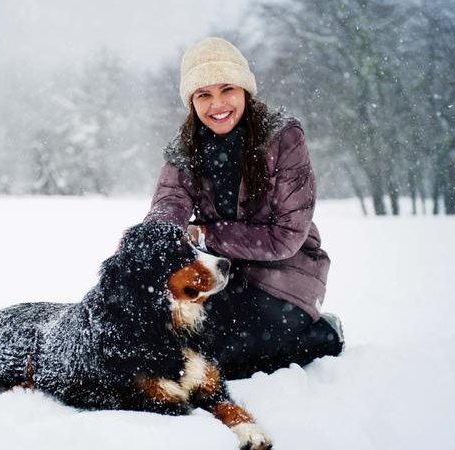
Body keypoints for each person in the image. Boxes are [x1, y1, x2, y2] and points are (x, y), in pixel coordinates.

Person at [145, 37, 344, 379]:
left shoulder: (283, 137)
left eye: (227, 90)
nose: (217, 104)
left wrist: (206, 235)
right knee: (175, 345)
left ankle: (321, 335)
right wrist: (154, 233)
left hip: (285, 277)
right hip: (225, 276)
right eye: (203, 94)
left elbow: (286, 237)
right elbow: (170, 201)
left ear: (245, 91)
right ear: (191, 101)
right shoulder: (186, 147)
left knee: (223, 363)